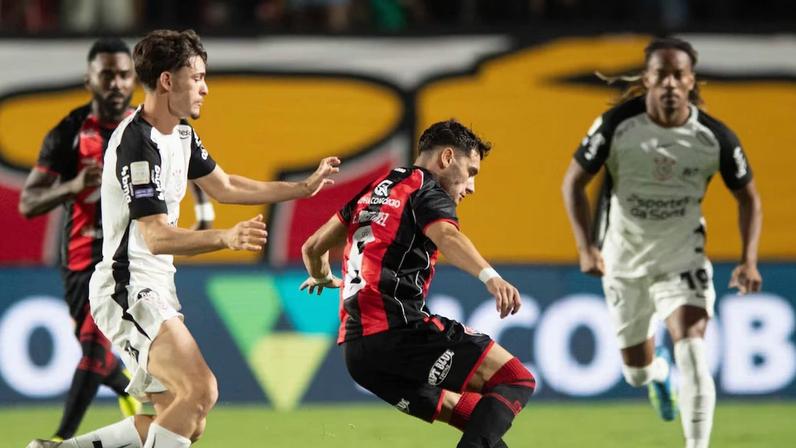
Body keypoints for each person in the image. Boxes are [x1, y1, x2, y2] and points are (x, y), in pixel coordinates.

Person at [27, 29, 340, 448]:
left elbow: (226, 186)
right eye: (197, 77)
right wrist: (225, 237)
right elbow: (155, 236)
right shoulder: (137, 143)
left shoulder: (180, 135)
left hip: (152, 287)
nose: (205, 88)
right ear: (167, 81)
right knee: (201, 390)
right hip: (128, 287)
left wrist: (301, 189)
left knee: (184, 415)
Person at [561, 37, 762, 448]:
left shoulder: (714, 137)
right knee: (636, 370)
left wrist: (749, 260)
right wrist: (586, 246)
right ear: (647, 78)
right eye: (661, 74)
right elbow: (573, 183)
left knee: (693, 350)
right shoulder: (618, 125)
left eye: (679, 74)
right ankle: (658, 375)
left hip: (681, 256)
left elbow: (749, 198)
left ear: (691, 80)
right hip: (624, 258)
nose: (670, 82)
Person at [18, 37, 212, 443]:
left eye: (124, 74)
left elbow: (209, 182)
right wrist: (71, 185)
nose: (116, 83)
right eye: (107, 75)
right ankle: (62, 434)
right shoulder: (71, 132)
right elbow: (29, 201)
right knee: (102, 356)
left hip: (140, 268)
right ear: (89, 80)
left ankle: (61, 443)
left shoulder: (158, 128)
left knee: (179, 411)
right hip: (88, 263)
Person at [299, 119, 535, 448]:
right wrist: (490, 277)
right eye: (471, 172)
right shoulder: (426, 190)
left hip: (359, 354)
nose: (470, 188)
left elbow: (312, 247)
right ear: (447, 158)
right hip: (399, 332)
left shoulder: (373, 191)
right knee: (516, 378)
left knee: (471, 416)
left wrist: (322, 275)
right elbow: (447, 236)